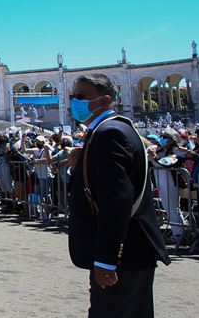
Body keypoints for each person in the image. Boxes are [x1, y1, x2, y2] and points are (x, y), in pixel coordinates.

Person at [67, 74, 170, 317]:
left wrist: (106, 258)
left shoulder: (109, 133)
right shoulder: (115, 128)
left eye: (81, 97)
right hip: (130, 251)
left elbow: (117, 201)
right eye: (72, 96)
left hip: (124, 255)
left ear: (104, 100)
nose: (74, 101)